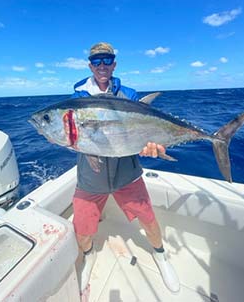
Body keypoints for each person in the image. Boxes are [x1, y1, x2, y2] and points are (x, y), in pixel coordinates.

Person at [71, 42, 180, 294]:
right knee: (83, 230)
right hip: (91, 174)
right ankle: (88, 255)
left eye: (107, 60)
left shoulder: (129, 95)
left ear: (114, 64)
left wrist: (154, 147)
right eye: (96, 61)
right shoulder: (78, 100)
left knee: (149, 220)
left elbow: (144, 130)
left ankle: (161, 255)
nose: (102, 66)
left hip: (127, 172)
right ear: (90, 65)